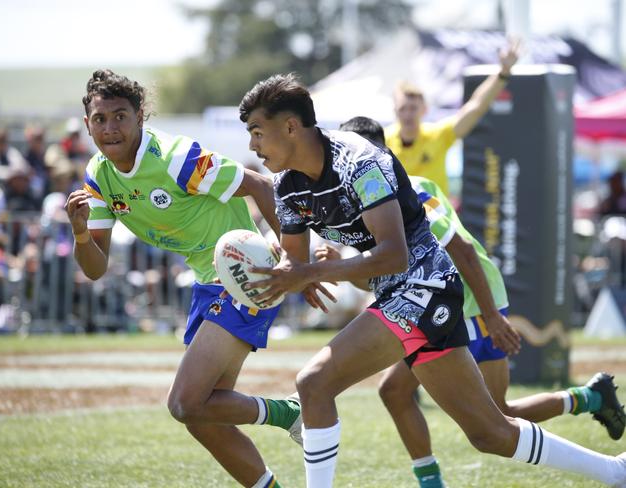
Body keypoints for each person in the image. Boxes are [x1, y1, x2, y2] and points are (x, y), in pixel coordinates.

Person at [238, 73, 626, 487]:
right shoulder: (286, 188)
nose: (252, 146)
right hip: (399, 295)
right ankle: (616, 471)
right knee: (490, 432)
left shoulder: (361, 162)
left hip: (426, 287)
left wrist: (311, 272)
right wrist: (271, 276)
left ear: (291, 127)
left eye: (257, 132)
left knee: (314, 384)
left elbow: (394, 253)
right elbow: (296, 265)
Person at [65, 69, 327, 488]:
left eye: (120, 116)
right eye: (100, 119)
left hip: (246, 274)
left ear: (140, 118)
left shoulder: (176, 158)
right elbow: (95, 268)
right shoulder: (98, 177)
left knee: (185, 402)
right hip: (208, 282)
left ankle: (290, 413)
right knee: (203, 416)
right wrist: (79, 232)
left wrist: (297, 265)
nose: (110, 128)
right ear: (87, 125)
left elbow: (260, 185)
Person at [339, 115, 626, 487]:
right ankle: (587, 398)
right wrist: (341, 268)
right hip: (441, 304)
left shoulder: (408, 188)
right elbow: (378, 277)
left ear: (380, 153)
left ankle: (600, 438)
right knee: (479, 411)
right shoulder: (362, 202)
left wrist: (490, 315)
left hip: (466, 302)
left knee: (480, 418)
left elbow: (460, 250)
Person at [385, 39, 519, 195]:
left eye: (413, 108)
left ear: (425, 110)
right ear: (395, 111)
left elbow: (476, 106)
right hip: (402, 218)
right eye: (403, 109)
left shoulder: (438, 135)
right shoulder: (382, 142)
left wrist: (503, 73)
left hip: (435, 216)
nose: (408, 114)